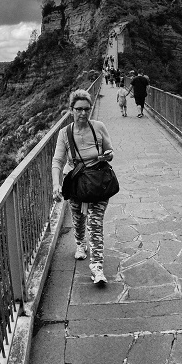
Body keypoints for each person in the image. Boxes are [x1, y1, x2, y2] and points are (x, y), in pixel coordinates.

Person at [51, 89, 115, 286]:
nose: (83, 113)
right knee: (78, 219)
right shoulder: (65, 133)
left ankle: (97, 268)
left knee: (95, 224)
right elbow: (58, 160)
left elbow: (110, 151)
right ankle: (80, 243)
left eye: (87, 109)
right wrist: (56, 185)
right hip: (77, 183)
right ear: (71, 110)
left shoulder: (98, 127)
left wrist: (107, 155)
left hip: (98, 182)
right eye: (79, 109)